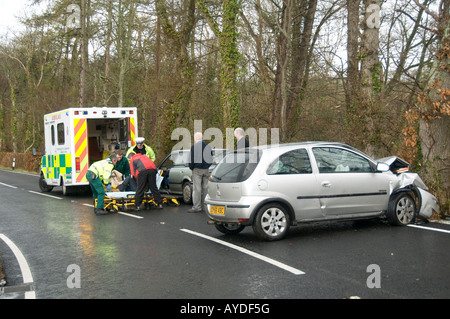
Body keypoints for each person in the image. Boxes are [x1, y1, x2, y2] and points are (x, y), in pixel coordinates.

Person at [188, 132, 213, 213]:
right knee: (205, 188)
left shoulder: (193, 148)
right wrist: (208, 165)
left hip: (197, 169)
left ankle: (197, 207)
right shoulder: (208, 147)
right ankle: (205, 206)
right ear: (202, 138)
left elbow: (191, 160)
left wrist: (192, 167)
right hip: (206, 169)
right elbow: (211, 158)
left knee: (197, 188)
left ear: (195, 138)